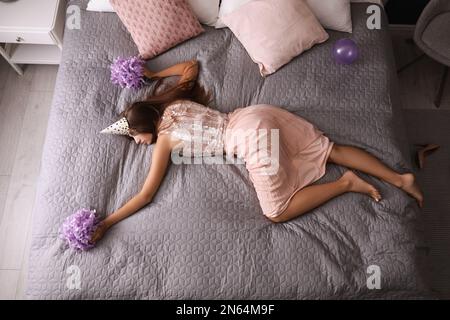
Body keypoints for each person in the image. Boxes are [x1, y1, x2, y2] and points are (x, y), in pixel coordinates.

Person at [92, 60, 423, 243]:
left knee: (276, 211)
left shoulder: (164, 139)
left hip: (250, 138)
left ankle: (346, 183)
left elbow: (146, 195)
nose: (137, 143)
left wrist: (108, 222)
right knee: (329, 149)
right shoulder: (176, 104)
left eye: (134, 136)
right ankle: (400, 178)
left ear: (145, 127)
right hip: (254, 113)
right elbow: (190, 66)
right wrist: (152, 73)